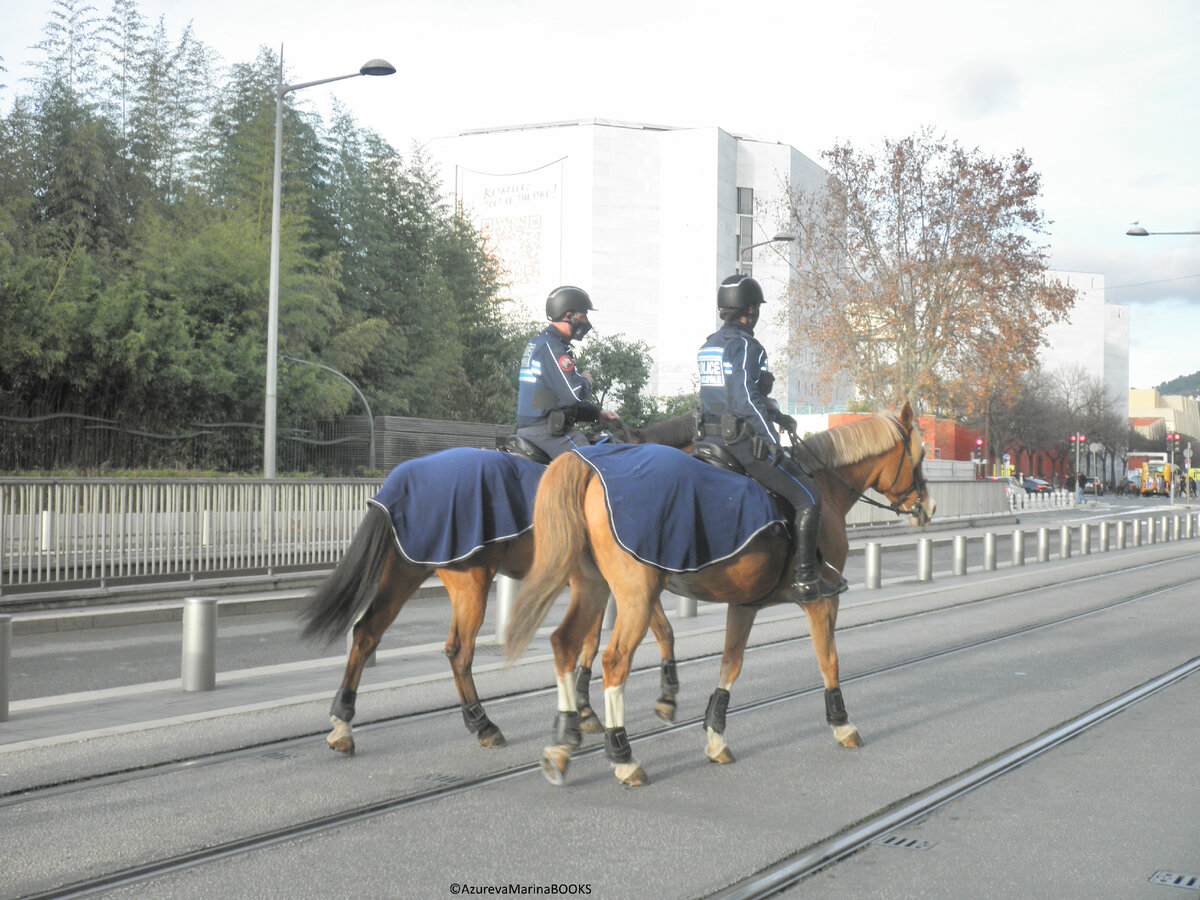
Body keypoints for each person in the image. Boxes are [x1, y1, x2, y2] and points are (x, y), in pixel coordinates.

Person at [696, 274, 845, 600]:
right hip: (739, 443)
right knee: (809, 497)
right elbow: (745, 398)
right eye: (756, 308)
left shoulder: (709, 345)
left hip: (707, 439)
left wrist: (776, 415)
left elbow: (725, 395)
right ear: (750, 310)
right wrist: (772, 439)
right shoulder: (746, 346)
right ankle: (805, 579)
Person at [516, 285, 617, 459]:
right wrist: (586, 381)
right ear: (568, 316)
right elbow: (574, 394)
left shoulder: (540, 343)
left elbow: (554, 401)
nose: (586, 321)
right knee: (599, 462)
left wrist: (597, 413)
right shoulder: (553, 347)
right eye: (583, 315)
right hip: (547, 434)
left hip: (534, 429)